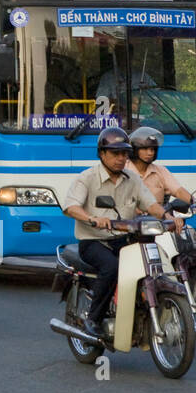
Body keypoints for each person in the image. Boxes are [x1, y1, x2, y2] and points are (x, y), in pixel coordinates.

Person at [63, 127, 169, 339]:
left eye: (124, 153)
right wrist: (92, 219)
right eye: (115, 153)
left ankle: (137, 309)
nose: (121, 158)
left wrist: (167, 217)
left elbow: (150, 204)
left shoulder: (132, 178)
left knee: (153, 262)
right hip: (93, 242)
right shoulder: (87, 178)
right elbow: (70, 207)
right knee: (111, 267)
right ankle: (93, 318)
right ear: (102, 153)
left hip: (124, 239)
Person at [127, 127, 196, 211]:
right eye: (145, 149)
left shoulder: (160, 171)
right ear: (134, 149)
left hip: (156, 220)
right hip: (127, 221)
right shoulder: (124, 170)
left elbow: (178, 190)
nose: (150, 153)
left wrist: (195, 203)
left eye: (152, 149)